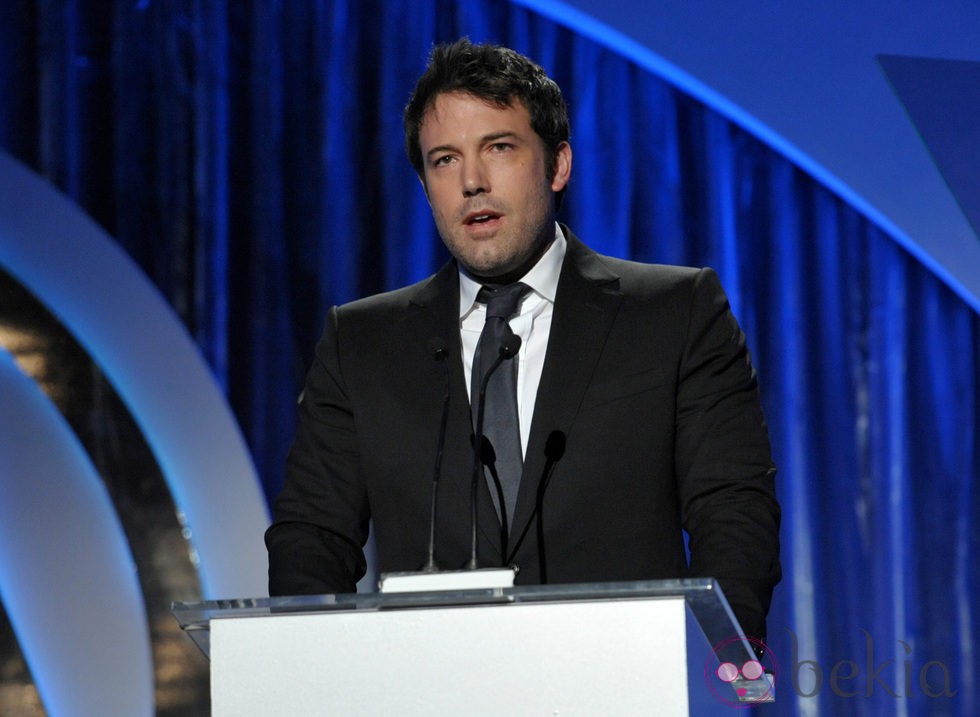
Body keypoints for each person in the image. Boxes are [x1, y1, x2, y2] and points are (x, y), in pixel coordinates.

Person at [265, 38, 780, 640]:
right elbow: (313, 537)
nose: (472, 182)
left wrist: (713, 658)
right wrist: (304, 667)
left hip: (626, 683)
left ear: (558, 164)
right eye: (444, 160)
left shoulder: (674, 313)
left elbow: (733, 511)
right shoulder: (361, 344)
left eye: (499, 148)